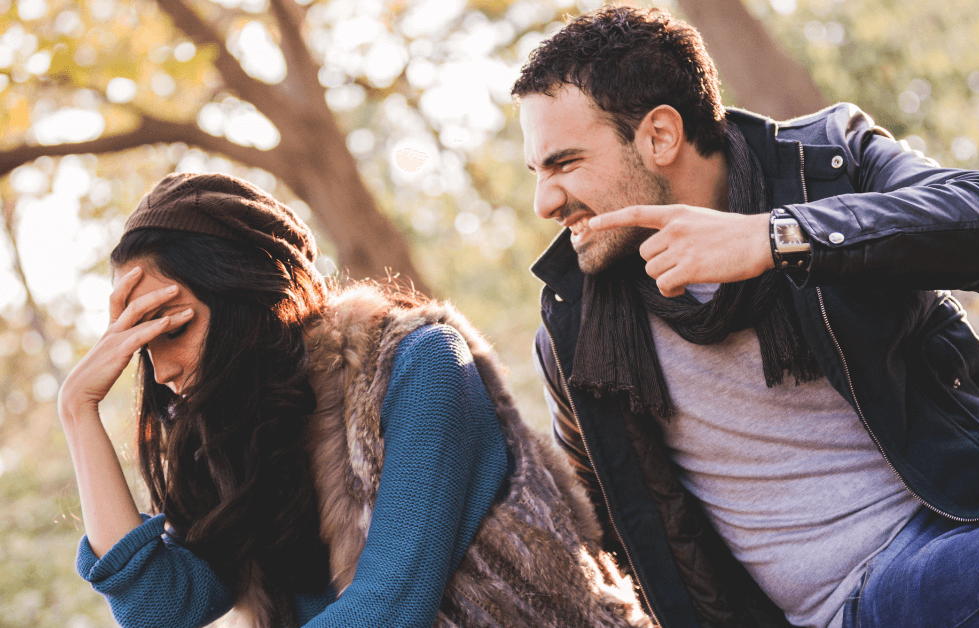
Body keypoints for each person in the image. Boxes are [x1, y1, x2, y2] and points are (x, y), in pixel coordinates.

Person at [513, 5, 979, 628]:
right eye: (537, 172)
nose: (547, 201)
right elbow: (615, 542)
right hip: (879, 593)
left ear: (660, 134)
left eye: (565, 164)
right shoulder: (577, 334)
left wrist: (779, 239)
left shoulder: (824, 163)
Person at [58, 172, 647, 628]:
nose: (160, 372)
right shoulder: (239, 436)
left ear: (242, 299)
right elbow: (159, 607)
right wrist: (77, 410)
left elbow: (388, 608)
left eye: (171, 327)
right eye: (139, 343)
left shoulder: (420, 363)